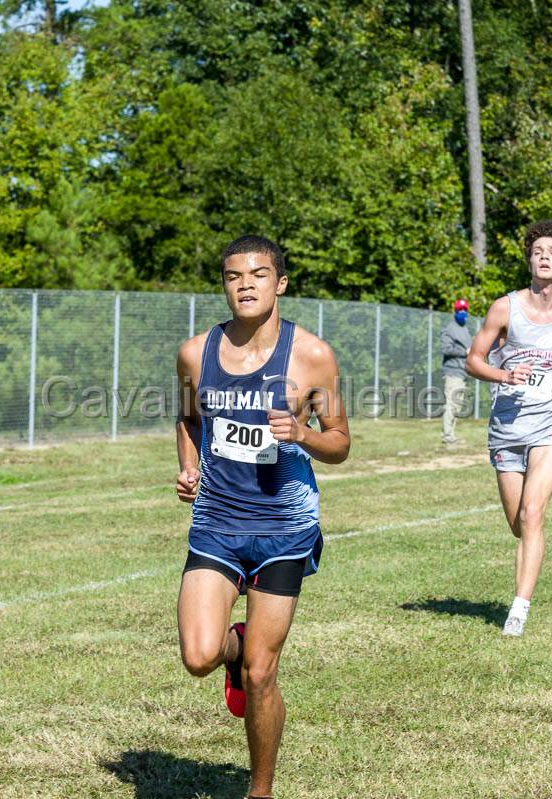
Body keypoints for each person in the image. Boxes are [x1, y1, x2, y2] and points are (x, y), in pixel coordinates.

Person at [174, 235, 351, 799]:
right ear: (224, 285)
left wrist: (301, 433)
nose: (245, 284)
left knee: (262, 673)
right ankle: (236, 647)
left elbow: (341, 442)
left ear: (280, 283)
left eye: (258, 274)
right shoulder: (195, 352)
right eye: (233, 276)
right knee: (199, 656)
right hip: (217, 521)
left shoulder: (313, 356)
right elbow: (188, 419)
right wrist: (189, 466)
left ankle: (260, 790)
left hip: (283, 526)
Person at [465, 219, 552, 637]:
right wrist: (503, 375)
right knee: (518, 524)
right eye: (538, 251)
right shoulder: (506, 308)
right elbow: (474, 359)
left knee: (533, 511)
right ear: (530, 259)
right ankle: (529, 562)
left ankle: (518, 611)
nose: (544, 257)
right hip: (508, 423)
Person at [440, 298, 473, 446]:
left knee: (457, 406)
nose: (462, 312)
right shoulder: (450, 329)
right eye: (460, 310)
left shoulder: (464, 329)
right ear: (455, 311)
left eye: (464, 309)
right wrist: (464, 352)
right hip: (453, 372)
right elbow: (446, 349)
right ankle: (447, 436)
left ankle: (451, 435)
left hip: (463, 372)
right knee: (451, 404)